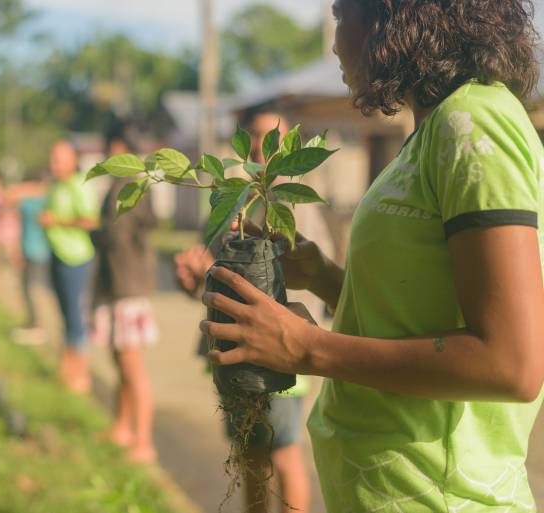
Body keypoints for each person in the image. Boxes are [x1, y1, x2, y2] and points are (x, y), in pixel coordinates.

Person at [202, 1, 544, 512]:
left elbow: (510, 364)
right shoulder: (433, 129)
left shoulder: (473, 123)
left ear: (393, 14)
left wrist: (307, 348)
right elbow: (419, 314)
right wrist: (324, 276)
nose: (335, 43)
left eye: (342, 17)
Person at [175, 112, 314, 513]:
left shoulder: (294, 200)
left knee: (283, 453)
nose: (260, 144)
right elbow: (209, 276)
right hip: (232, 350)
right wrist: (192, 278)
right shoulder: (230, 198)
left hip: (279, 350)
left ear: (291, 146)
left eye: (273, 137)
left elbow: (311, 274)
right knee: (250, 457)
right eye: (254, 134)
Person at [91, 125, 159, 463]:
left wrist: (95, 233)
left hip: (127, 285)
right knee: (120, 360)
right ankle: (122, 427)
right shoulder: (127, 185)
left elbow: (115, 235)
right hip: (118, 284)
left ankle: (143, 440)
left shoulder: (130, 186)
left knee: (132, 365)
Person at [40, 140, 99, 393]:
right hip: (57, 254)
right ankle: (66, 368)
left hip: (76, 258)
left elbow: (90, 221)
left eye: (59, 159)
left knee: (75, 315)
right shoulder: (57, 186)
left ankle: (81, 374)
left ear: (73, 160)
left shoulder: (79, 185)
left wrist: (57, 221)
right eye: (52, 158)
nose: (54, 164)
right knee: (65, 314)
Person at [5, 174, 50, 345]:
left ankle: (38, 327)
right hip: (27, 249)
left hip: (39, 251)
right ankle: (32, 323)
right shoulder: (28, 201)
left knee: (33, 289)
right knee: (26, 288)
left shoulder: (44, 199)